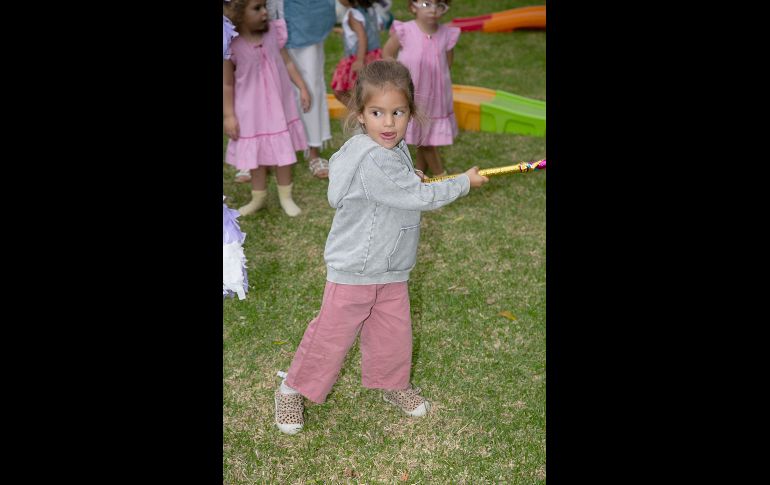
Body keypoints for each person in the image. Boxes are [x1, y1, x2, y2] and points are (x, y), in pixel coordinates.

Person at [273, 60, 488, 434]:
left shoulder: (393, 148)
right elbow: (417, 195)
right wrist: (464, 182)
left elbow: (401, 183)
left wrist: (412, 175)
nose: (388, 123)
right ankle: (292, 388)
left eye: (397, 112)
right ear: (360, 114)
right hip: (356, 269)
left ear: (410, 112)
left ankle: (392, 384)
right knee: (331, 336)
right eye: (377, 113)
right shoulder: (371, 156)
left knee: (393, 331)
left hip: (390, 265)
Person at [224, 0, 311, 217]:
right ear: (238, 14)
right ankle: (259, 197)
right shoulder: (231, 45)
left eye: (264, 6)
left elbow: (288, 63)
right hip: (251, 113)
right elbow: (226, 84)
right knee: (257, 158)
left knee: (283, 155)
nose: (265, 12)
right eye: (257, 8)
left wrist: (302, 87)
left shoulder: (273, 33)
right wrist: (229, 115)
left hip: (280, 109)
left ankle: (285, 196)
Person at [382, 0, 458, 178]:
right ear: (413, 6)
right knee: (425, 139)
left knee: (425, 137)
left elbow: (447, 63)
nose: (433, 10)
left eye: (439, 6)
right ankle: (441, 176)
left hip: (437, 98)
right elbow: (387, 53)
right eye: (426, 4)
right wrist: (399, 77)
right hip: (413, 94)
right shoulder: (405, 31)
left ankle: (419, 173)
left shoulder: (446, 34)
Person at [271, 0, 337, 179]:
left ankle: (313, 148)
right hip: (261, 16)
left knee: (309, 81)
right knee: (261, 87)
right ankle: (258, 152)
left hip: (305, 15)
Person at [330, 1, 382, 106]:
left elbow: (362, 37)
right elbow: (368, 30)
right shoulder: (370, 9)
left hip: (359, 57)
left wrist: (359, 60)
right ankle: (367, 112)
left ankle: (360, 113)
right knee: (369, 91)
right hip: (374, 55)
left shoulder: (353, 15)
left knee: (340, 91)